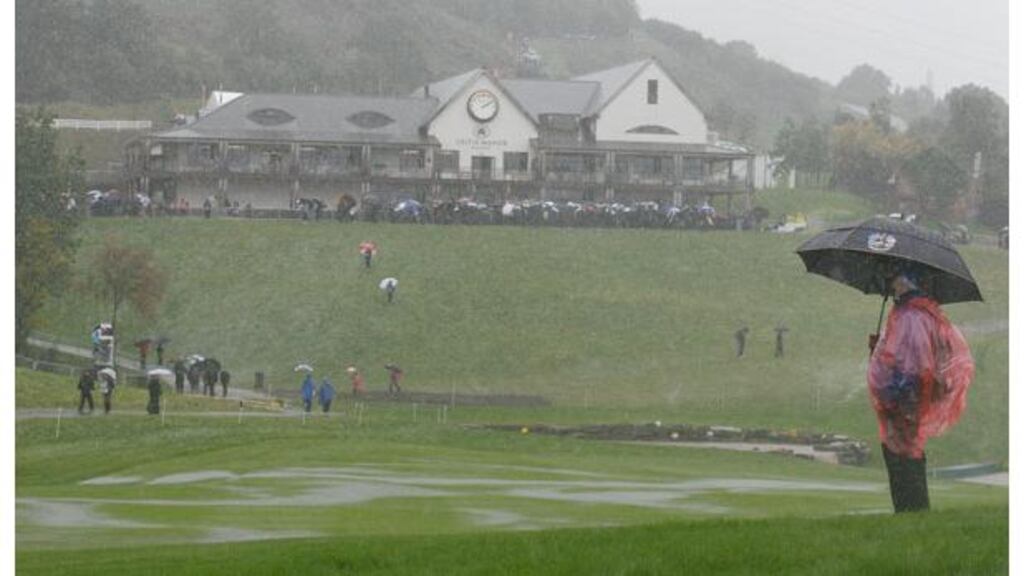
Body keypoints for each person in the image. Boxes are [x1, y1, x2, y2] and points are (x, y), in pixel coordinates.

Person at [867, 267, 974, 513]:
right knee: (908, 453)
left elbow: (914, 366)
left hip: (904, 401)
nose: (891, 284)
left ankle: (911, 512)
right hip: (910, 401)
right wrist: (879, 352)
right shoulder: (919, 313)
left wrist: (890, 386)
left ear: (907, 283)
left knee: (902, 457)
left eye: (895, 279)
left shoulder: (911, 316)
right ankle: (913, 512)